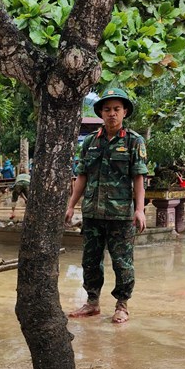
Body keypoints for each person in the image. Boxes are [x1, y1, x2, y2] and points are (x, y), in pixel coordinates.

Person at [65, 87, 148, 324]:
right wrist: (71, 205)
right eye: (107, 109)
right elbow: (82, 176)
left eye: (117, 109)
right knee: (90, 260)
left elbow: (139, 177)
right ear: (101, 112)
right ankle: (92, 302)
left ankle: (122, 305)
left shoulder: (134, 141)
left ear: (124, 112)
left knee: (123, 262)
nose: (112, 113)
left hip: (120, 214)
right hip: (92, 212)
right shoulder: (90, 142)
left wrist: (139, 210)